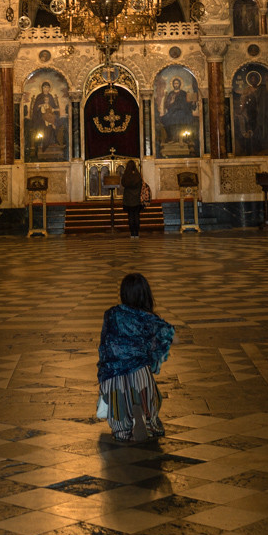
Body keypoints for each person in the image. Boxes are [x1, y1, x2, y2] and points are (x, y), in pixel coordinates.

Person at [96, 273, 175, 444]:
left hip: (110, 377)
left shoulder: (111, 314)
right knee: (143, 375)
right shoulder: (147, 319)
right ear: (145, 294)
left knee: (121, 383)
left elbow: (104, 346)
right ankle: (151, 421)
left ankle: (121, 429)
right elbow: (168, 335)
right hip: (139, 379)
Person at [121, 157, 144, 239]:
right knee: (137, 216)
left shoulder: (126, 175)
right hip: (137, 199)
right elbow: (141, 184)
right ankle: (137, 233)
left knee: (130, 216)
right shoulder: (137, 175)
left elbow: (123, 184)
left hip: (128, 200)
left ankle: (132, 233)